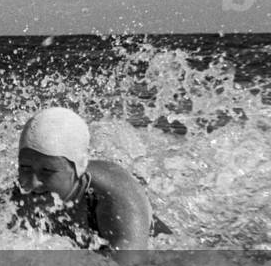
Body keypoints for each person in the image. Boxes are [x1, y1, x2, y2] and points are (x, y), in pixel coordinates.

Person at [11, 107, 171, 252]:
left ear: (78, 169)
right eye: (25, 167)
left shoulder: (117, 197)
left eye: (47, 171)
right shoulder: (15, 197)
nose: (32, 183)